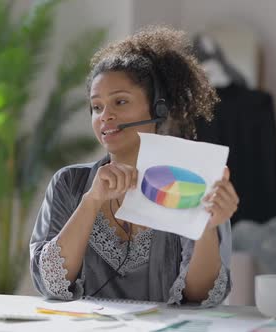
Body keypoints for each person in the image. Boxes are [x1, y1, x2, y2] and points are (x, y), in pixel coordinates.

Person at [29, 26, 238, 307]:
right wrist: (91, 202)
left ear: (157, 109)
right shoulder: (69, 183)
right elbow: (51, 285)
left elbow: (201, 296)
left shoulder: (194, 182)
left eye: (120, 102)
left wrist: (206, 227)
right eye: (96, 107)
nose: (106, 116)